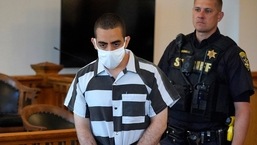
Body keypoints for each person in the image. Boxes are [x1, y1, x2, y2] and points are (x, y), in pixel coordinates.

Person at [64, 13, 180, 145]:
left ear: (126, 41)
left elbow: (159, 123)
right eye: (103, 44)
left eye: (116, 44)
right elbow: (82, 128)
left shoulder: (152, 74)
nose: (109, 50)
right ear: (94, 43)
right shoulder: (82, 77)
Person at [158, 0, 254, 145]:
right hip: (171, 139)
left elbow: (243, 110)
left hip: (210, 139)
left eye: (208, 11)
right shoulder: (175, 47)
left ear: (219, 16)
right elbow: (157, 95)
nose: (201, 15)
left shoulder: (231, 53)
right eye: (197, 9)